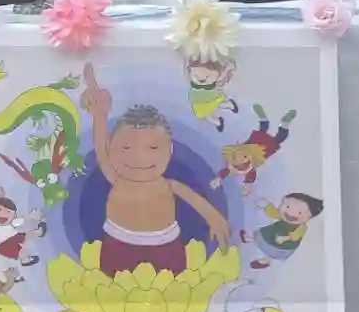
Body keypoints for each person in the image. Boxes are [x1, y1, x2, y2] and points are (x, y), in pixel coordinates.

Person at [79, 66, 231, 275]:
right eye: (126, 148)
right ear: (111, 149)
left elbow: (196, 201)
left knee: (170, 283)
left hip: (166, 248)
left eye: (152, 148)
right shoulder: (115, 176)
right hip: (118, 245)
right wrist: (100, 115)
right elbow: (100, 150)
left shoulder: (169, 185)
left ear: (170, 151)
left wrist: (214, 218)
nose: (138, 158)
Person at [244, 192, 322, 270]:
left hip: (285, 243)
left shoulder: (302, 227)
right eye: (287, 207)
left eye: (299, 213)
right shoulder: (282, 215)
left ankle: (266, 261)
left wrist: (286, 238)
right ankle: (251, 239)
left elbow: (295, 236)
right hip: (273, 232)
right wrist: (267, 205)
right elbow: (274, 214)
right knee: (264, 236)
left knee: (274, 251)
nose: (290, 213)